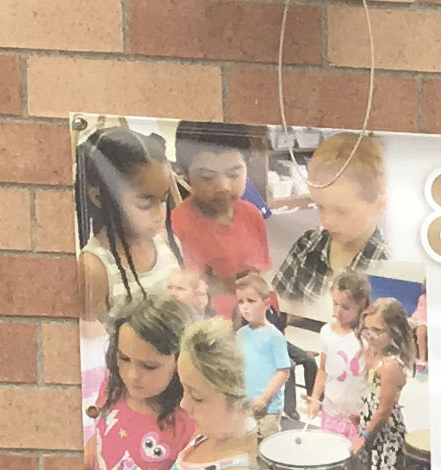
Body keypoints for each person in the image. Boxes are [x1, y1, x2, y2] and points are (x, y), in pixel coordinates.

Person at [85, 290, 192, 470]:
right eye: (124, 358)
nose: (132, 374)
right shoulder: (115, 386)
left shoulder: (186, 419)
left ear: (180, 361)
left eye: (149, 366)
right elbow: (102, 439)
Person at [74, 121, 185, 321]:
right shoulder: (94, 268)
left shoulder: (168, 243)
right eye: (144, 203)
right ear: (99, 198)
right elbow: (92, 346)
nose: (160, 214)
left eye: (163, 200)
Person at [269, 131, 392, 311]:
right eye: (320, 206)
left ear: (379, 205)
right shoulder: (308, 244)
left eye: (341, 211)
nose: (327, 222)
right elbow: (278, 304)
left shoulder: (388, 263)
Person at [170, 321, 264, 470]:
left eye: (197, 397)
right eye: (183, 389)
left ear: (235, 399)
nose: (184, 404)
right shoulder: (209, 432)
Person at [167, 130, 269, 318]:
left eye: (234, 174)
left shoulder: (252, 215)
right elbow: (181, 298)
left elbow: (261, 275)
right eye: (207, 177)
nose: (224, 186)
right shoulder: (175, 226)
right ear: (184, 172)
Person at [355, 297, 428, 470]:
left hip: (385, 436)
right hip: (374, 430)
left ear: (393, 331)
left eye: (378, 330)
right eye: (368, 329)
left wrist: (364, 436)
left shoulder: (390, 365)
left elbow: (384, 410)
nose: (371, 335)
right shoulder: (373, 357)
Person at [314, 272, 373, 443]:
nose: (338, 311)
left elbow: (374, 380)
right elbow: (323, 370)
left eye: (345, 307)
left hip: (357, 417)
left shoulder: (367, 338)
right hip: (331, 413)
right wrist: (315, 398)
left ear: (361, 305)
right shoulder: (326, 332)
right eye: (335, 304)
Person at [232, 268, 293, 422]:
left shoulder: (275, 337)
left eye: (251, 301)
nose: (245, 307)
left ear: (266, 304)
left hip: (268, 409)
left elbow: (283, 372)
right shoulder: (240, 334)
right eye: (241, 302)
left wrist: (264, 398)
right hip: (245, 406)